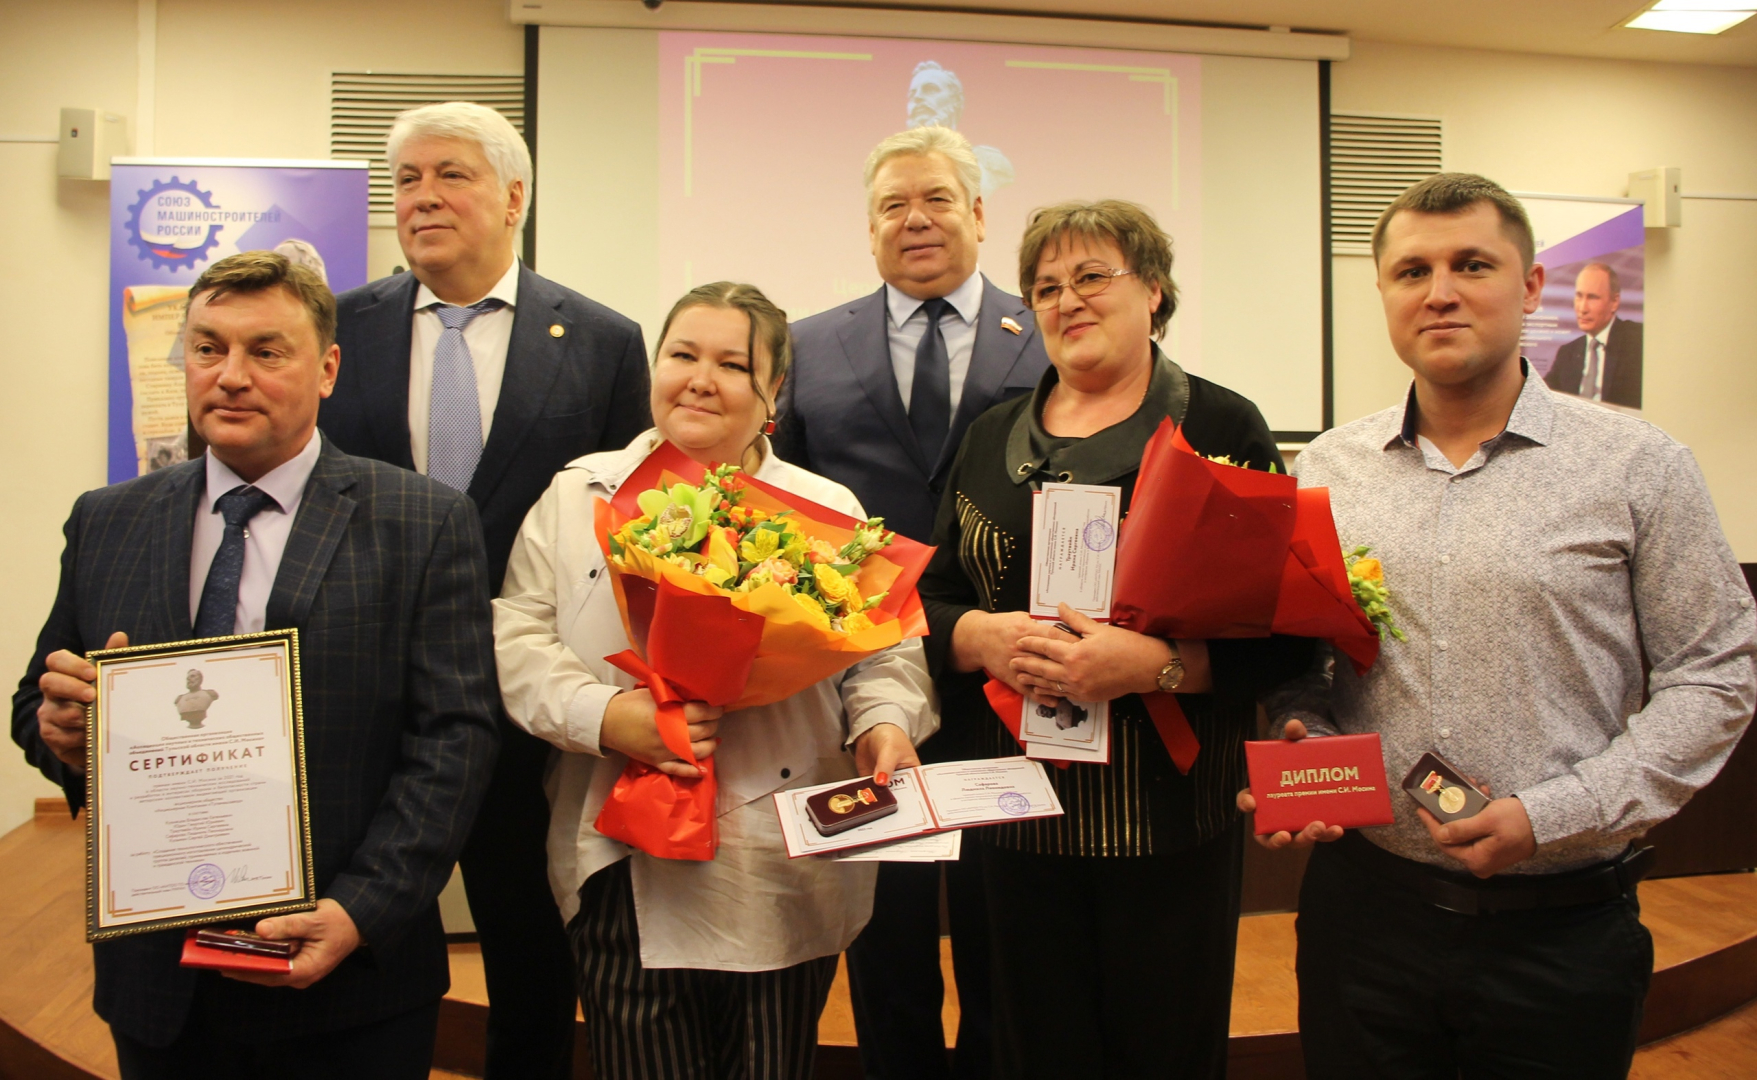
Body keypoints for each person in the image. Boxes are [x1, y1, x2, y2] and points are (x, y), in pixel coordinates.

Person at [1240, 173, 1757, 1080]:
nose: (1439, 291)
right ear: (1383, 294)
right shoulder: (1325, 468)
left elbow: (1713, 676)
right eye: (1412, 271)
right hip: (1363, 924)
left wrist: (1551, 814)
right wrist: (1302, 734)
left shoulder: (1638, 465)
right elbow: (1305, 661)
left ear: (1530, 288)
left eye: (1471, 265)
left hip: (1561, 935)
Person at [11, 251, 499, 1079]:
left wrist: (360, 909)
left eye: (266, 351)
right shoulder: (107, 520)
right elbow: (37, 701)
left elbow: (455, 739)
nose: (230, 375)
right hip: (159, 984)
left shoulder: (422, 521)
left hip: (350, 985)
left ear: (328, 369)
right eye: (208, 348)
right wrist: (61, 731)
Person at [494, 282, 937, 1080]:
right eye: (682, 355)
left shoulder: (823, 508)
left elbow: (886, 651)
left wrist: (884, 722)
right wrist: (604, 716)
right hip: (620, 845)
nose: (700, 379)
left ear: (773, 392)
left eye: (732, 364)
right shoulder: (578, 493)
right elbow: (518, 635)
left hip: (778, 854)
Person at [917, 199, 1313, 1080]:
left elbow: (1287, 633)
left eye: (1092, 276)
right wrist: (980, 637)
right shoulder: (988, 436)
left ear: (1154, 290)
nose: (1067, 300)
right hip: (1013, 823)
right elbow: (930, 600)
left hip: (1169, 827)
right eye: (1046, 286)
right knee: (1029, 1054)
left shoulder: (1221, 428)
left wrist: (1158, 667)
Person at [319, 101, 650, 1080]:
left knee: (529, 948)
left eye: (449, 174)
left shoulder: (600, 340)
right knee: (371, 933)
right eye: (406, 179)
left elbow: (618, 529)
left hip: (527, 705)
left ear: (513, 197)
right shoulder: (339, 327)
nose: (421, 196)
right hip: (370, 697)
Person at [774, 124, 1048, 1080]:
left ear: (978, 213)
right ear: (869, 227)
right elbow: (783, 502)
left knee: (1000, 930)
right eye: (892, 205)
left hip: (1009, 673)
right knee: (883, 933)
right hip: (863, 683)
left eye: (935, 199)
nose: (914, 219)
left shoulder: (1046, 331)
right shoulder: (808, 344)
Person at [1542, 260, 1643, 409]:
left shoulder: (1637, 341)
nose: (1583, 308)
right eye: (1579, 296)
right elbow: (1542, 399)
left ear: (1614, 302)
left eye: (1592, 297)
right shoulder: (1567, 353)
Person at [904, 62, 1014, 198]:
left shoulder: (989, 165)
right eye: (912, 94)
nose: (917, 98)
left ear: (955, 101)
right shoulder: (894, 168)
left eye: (930, 90)